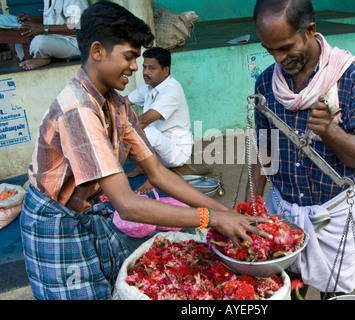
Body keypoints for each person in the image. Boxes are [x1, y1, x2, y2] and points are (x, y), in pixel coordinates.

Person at [20, 1, 270, 300]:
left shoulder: (116, 103)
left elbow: (159, 173)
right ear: (97, 51)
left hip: (87, 210)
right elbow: (127, 204)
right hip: (57, 221)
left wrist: (225, 211)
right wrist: (211, 219)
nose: (136, 67)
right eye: (129, 57)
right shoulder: (79, 110)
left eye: (138, 59)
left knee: (111, 284)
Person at [248, 0, 355, 299]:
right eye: (270, 50)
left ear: (310, 30)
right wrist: (253, 203)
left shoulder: (353, 80)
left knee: (334, 289)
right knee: (290, 281)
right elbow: (263, 149)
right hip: (284, 209)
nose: (279, 58)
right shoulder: (267, 83)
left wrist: (331, 132)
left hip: (332, 213)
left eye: (285, 47)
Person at [124, 47, 193, 193]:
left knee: (143, 129)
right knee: (130, 120)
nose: (145, 72)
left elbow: (143, 121)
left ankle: (155, 177)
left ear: (165, 70)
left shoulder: (172, 90)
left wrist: (118, 137)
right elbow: (123, 103)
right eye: (144, 67)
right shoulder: (148, 88)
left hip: (176, 152)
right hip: (159, 147)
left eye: (151, 68)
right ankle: (144, 166)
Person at [15, 0, 88, 70]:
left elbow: (77, 27)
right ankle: (40, 55)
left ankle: (42, 58)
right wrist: (32, 19)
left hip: (75, 42)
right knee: (20, 38)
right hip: (55, 38)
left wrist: (44, 29)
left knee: (38, 42)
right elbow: (55, 19)